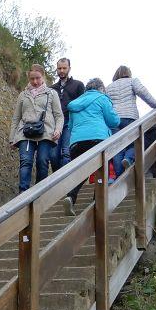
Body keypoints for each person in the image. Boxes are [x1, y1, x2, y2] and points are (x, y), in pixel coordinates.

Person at [63, 78, 119, 215]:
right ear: (101, 89)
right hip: (97, 139)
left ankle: (71, 197)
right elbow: (113, 121)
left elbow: (70, 126)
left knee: (82, 172)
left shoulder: (75, 103)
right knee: (103, 169)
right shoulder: (102, 98)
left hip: (76, 142)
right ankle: (96, 202)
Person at [8, 64, 64, 193]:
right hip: (25, 132)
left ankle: (39, 193)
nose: (35, 81)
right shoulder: (23, 95)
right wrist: (12, 138)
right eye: (32, 78)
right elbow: (16, 117)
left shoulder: (51, 93)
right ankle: (23, 194)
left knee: (42, 161)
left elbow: (59, 115)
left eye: (37, 78)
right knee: (25, 161)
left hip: (46, 132)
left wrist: (58, 130)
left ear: (43, 76)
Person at [106, 65, 156, 179]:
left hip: (114, 120)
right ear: (128, 73)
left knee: (117, 148)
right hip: (130, 117)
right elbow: (143, 93)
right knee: (135, 142)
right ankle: (129, 158)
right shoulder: (132, 81)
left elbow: (106, 104)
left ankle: (120, 178)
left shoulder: (109, 87)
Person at [50, 58, 85, 168]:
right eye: (59, 68)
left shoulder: (78, 85)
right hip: (55, 123)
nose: (61, 70)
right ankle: (57, 176)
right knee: (53, 155)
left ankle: (65, 177)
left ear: (69, 68)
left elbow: (82, 105)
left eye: (64, 68)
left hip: (70, 122)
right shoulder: (52, 89)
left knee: (66, 152)